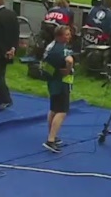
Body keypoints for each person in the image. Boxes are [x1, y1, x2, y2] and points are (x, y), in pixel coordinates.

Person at [41, 25, 75, 153]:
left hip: (52, 80)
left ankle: (52, 135)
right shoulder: (61, 49)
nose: (69, 36)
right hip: (61, 82)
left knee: (54, 109)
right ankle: (50, 140)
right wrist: (67, 69)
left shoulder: (50, 46)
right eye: (67, 34)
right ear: (60, 36)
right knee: (62, 111)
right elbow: (70, 60)